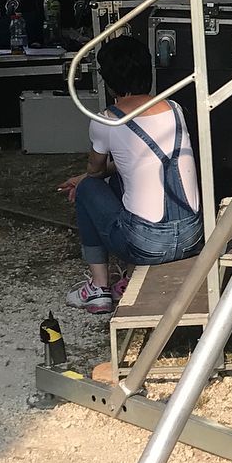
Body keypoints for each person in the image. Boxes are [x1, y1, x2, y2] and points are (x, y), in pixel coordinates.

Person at [58, 37, 204, 314]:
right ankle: (127, 278)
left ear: (108, 80)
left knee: (88, 189)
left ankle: (99, 287)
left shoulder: (106, 120)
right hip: (191, 237)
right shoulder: (175, 110)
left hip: (147, 245)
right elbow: (140, 162)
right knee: (118, 181)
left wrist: (82, 179)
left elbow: (95, 171)